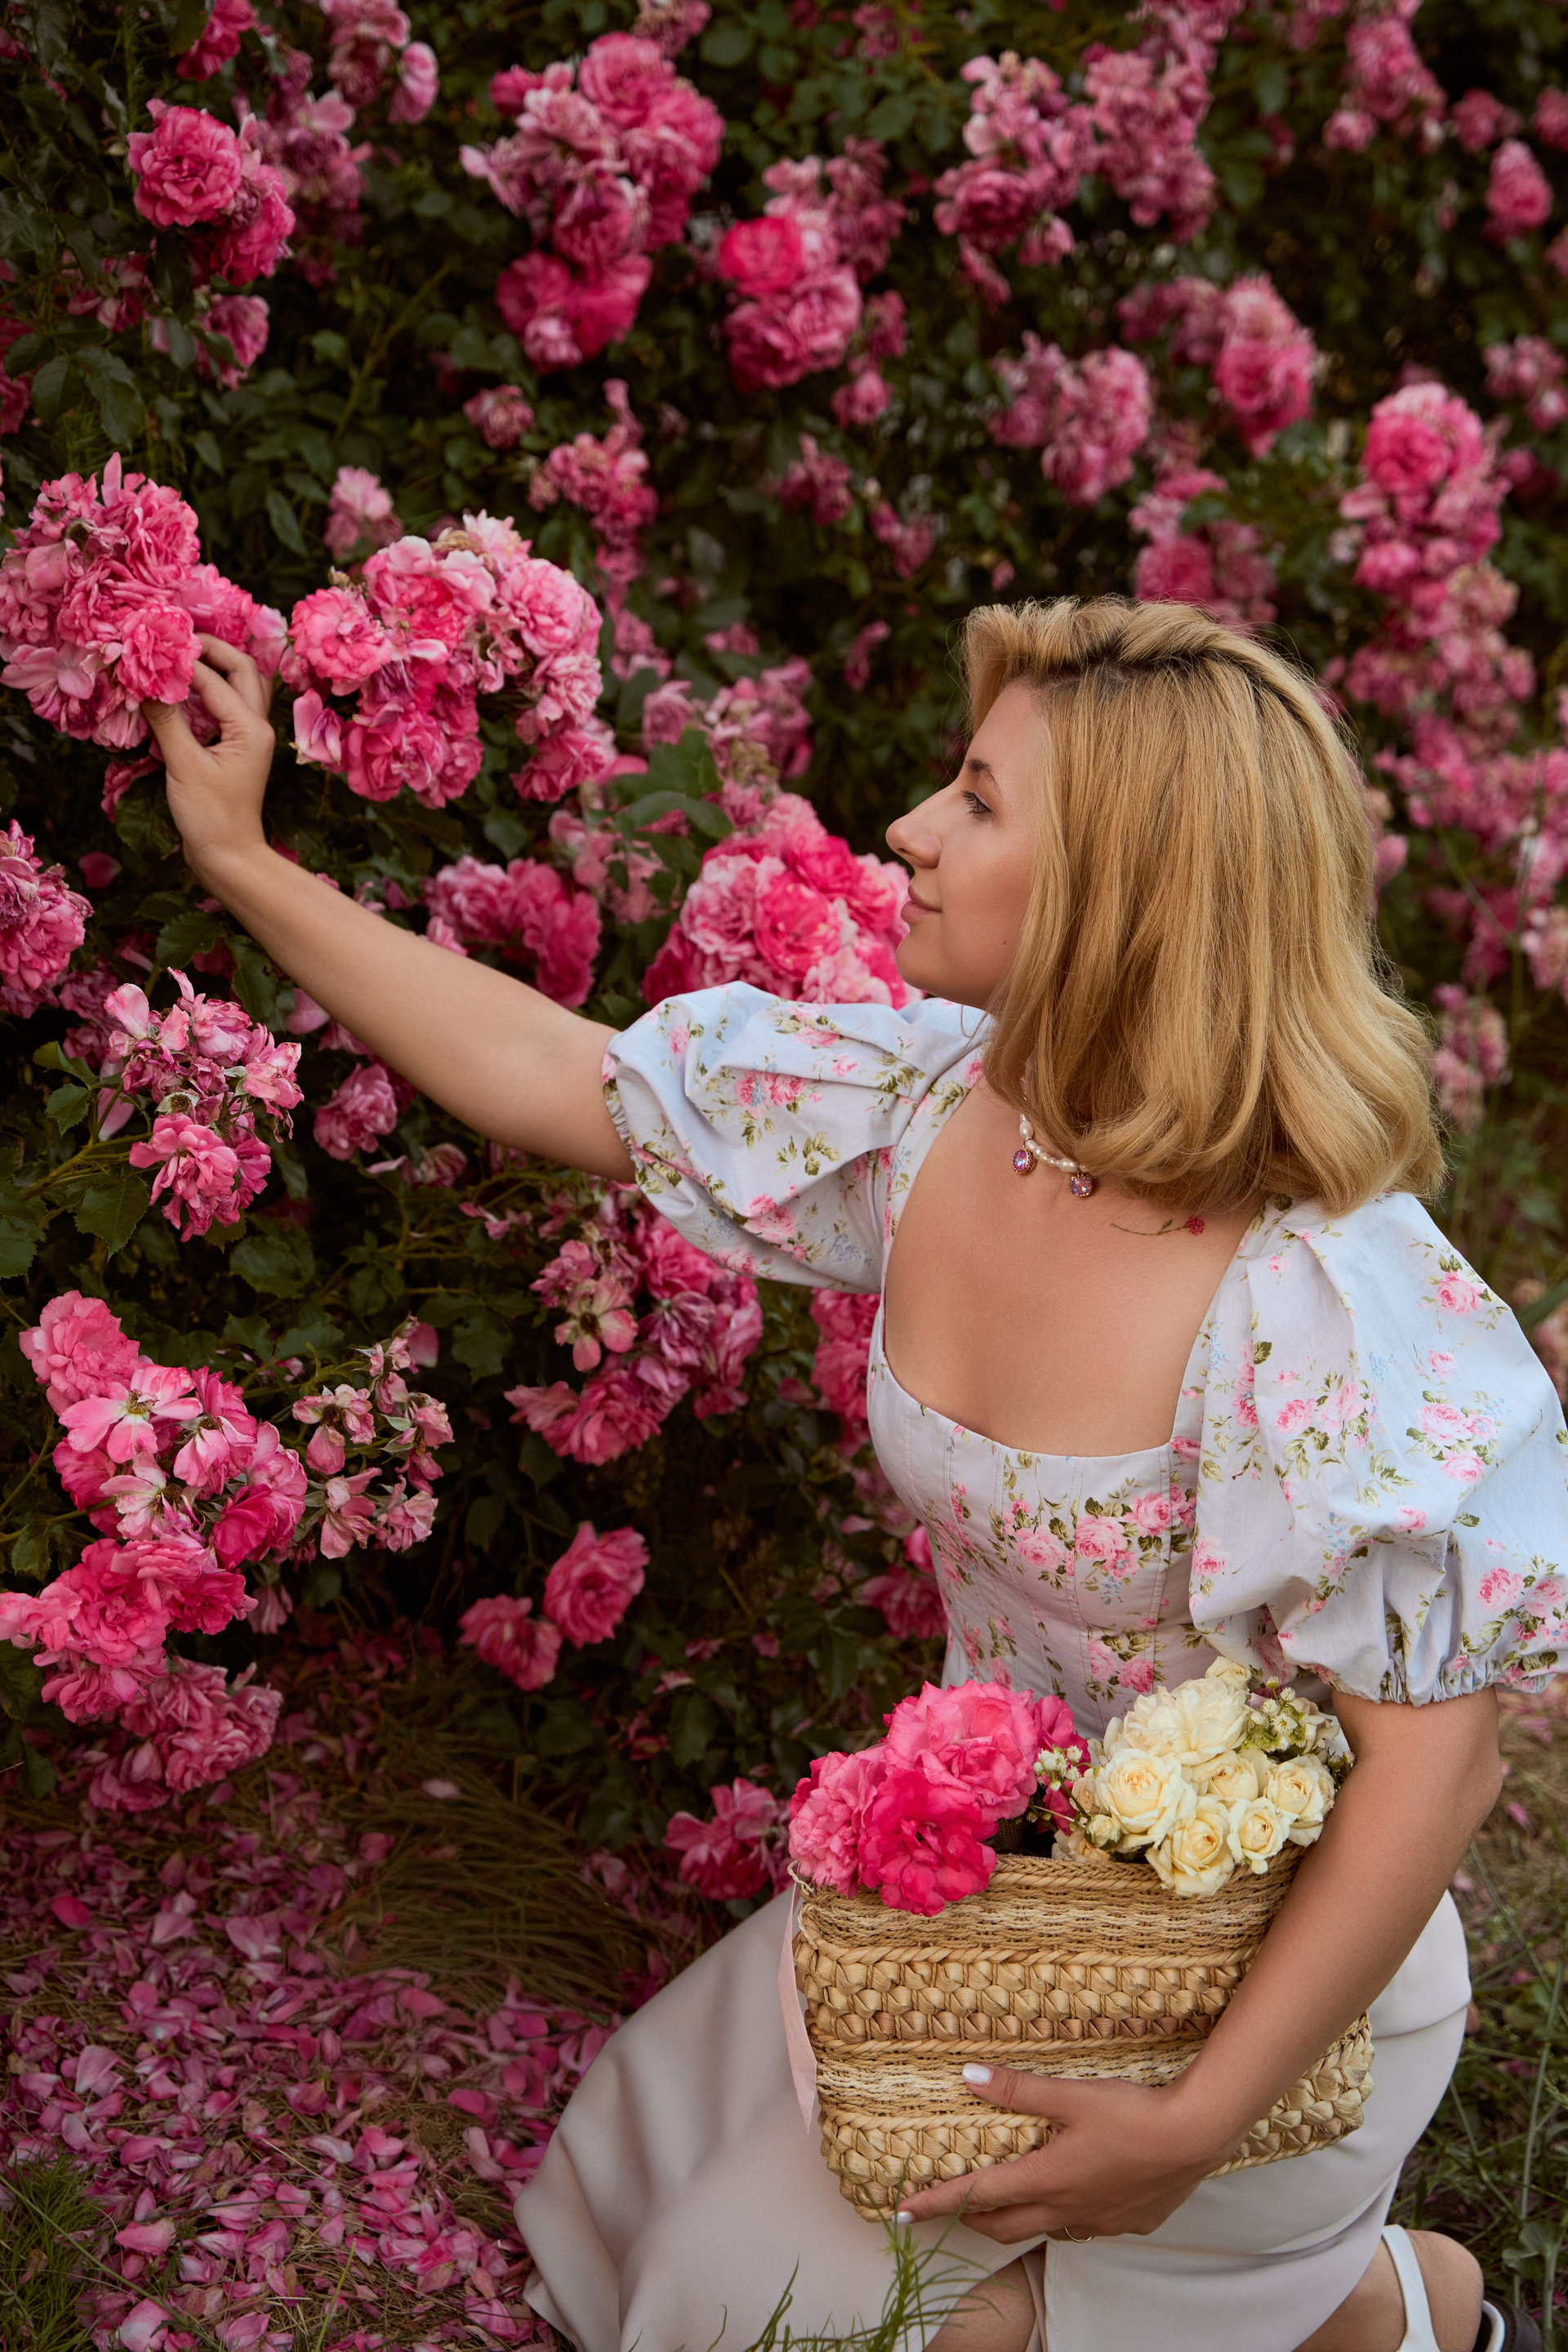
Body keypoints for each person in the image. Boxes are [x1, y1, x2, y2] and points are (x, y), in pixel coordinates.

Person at [148, 597, 1566, 2352]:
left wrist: (1195, 2130)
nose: (909, 828)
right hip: (1011, 1915)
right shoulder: (931, 1116)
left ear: (1122, 887)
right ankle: (1389, 2313)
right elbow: (565, 1076)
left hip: (1267, 1985)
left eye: (977, 799)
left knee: (784, 2311)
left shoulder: (1321, 1297)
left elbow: (1437, 1772)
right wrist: (245, 861)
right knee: (652, 2236)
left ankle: (1291, 2276)